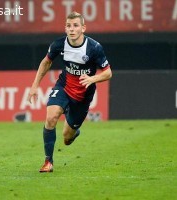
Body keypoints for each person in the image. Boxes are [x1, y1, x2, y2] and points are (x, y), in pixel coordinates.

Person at [27, 12, 112, 173]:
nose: (71, 29)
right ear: (65, 28)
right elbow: (46, 62)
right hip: (63, 87)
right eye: (68, 26)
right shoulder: (59, 45)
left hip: (82, 97)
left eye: (75, 26)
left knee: (67, 138)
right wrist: (34, 85)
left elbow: (108, 73)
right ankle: (48, 162)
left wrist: (92, 79)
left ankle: (74, 131)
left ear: (83, 28)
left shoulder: (94, 47)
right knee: (51, 117)